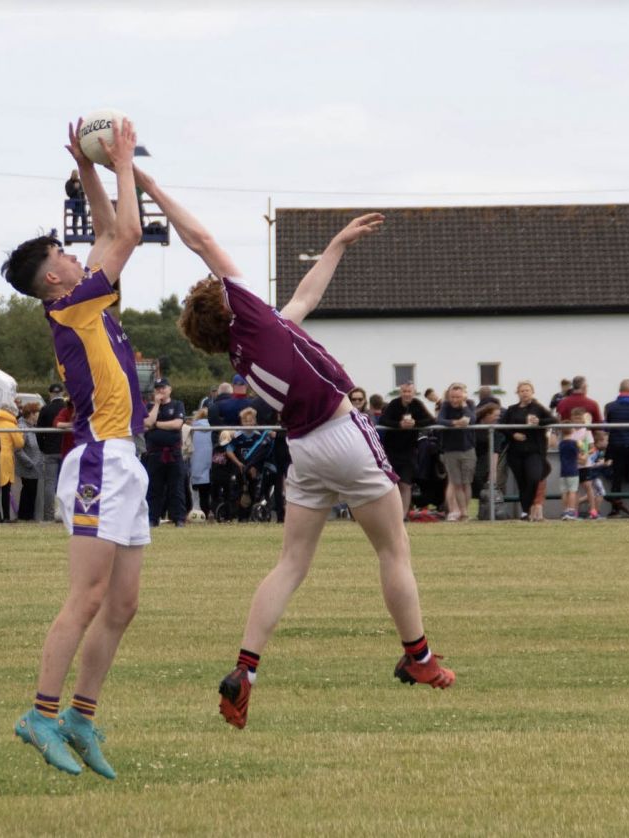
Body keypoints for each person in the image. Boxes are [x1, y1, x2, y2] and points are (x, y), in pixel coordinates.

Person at [133, 162, 455, 733]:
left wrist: (335, 246)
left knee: (291, 564)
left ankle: (245, 671)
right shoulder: (251, 318)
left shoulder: (248, 348)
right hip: (343, 434)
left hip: (306, 450)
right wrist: (151, 187)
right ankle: (420, 657)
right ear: (231, 306)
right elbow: (202, 240)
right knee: (393, 550)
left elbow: (304, 300)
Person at [1, 115, 145, 779]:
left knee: (121, 605)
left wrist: (87, 166)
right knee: (85, 599)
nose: (73, 255)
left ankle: (83, 717)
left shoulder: (77, 300)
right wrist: (119, 159)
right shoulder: (75, 304)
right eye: (62, 254)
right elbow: (128, 231)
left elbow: (110, 231)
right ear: (54, 279)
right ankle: (40, 713)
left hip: (124, 459)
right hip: (98, 459)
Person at [377, 383, 435, 518]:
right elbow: (383, 420)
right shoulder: (393, 404)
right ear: (400, 392)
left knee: (406, 484)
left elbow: (431, 420)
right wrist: (399, 425)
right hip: (391, 450)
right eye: (404, 391)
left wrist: (415, 424)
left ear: (414, 392)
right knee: (390, 484)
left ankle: (403, 515)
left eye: (409, 391)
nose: (407, 394)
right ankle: (390, 514)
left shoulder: (417, 404)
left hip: (409, 450)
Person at [501, 381, 556, 521]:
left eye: (527, 390)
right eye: (522, 391)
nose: (525, 393)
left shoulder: (538, 408)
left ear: (532, 392)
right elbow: (502, 426)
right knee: (522, 482)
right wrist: (513, 434)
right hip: (516, 451)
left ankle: (530, 508)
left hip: (534, 450)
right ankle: (526, 511)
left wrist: (539, 422)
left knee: (533, 477)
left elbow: (553, 419)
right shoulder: (511, 409)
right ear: (517, 393)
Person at [143, 377, 187, 527]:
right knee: (154, 488)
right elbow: (148, 422)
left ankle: (179, 518)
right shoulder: (149, 406)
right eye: (158, 388)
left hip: (173, 454)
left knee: (176, 488)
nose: (161, 391)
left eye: (163, 388)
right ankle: (152, 518)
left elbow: (177, 424)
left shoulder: (177, 405)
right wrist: (156, 404)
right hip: (155, 454)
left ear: (170, 389)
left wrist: (157, 424)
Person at [435, 383, 476, 522]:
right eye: (452, 396)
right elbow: (440, 420)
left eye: (458, 397)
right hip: (450, 450)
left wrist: (464, 406)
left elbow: (472, 419)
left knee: (467, 482)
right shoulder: (446, 405)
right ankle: (462, 512)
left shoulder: (469, 404)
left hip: (468, 449)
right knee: (456, 482)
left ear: (464, 395)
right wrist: (455, 423)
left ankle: (465, 510)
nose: (454, 400)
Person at [603, 379, 629, 517]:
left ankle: (615, 509)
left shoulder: (610, 406)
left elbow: (606, 428)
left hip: (615, 446)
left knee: (616, 478)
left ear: (620, 390)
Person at [36, 382, 67, 519]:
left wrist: (43, 447)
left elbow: (38, 432)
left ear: (50, 394)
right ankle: (66, 513)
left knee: (50, 483)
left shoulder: (45, 409)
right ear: (63, 393)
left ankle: (49, 515)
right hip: (67, 450)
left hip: (50, 450)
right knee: (67, 481)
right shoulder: (67, 408)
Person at [0, 401, 25, 523]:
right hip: (5, 458)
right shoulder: (11, 425)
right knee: (5, 488)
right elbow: (20, 443)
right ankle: (6, 516)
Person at [16, 401, 44, 521]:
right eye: (37, 412)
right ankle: (26, 516)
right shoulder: (22, 427)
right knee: (29, 491)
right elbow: (18, 449)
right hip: (28, 467)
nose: (38, 415)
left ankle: (26, 516)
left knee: (30, 491)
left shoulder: (32, 426)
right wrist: (30, 463)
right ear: (31, 414)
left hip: (34, 466)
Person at [188, 408, 214, 517]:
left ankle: (204, 513)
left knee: (201, 494)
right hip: (212, 466)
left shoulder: (192, 429)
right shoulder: (214, 428)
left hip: (196, 467)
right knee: (213, 493)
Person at [65, 168, 86, 235]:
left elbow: (83, 192)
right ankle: (75, 233)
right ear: (72, 175)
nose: (76, 176)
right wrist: (75, 189)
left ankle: (84, 233)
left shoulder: (80, 182)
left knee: (84, 219)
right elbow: (69, 194)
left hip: (82, 203)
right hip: (75, 204)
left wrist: (84, 200)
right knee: (75, 218)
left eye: (77, 175)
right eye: (74, 174)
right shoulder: (68, 183)